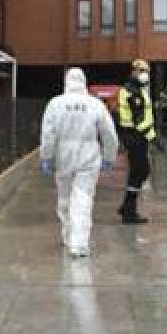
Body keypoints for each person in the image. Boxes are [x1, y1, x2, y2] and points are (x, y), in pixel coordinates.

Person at [40, 68, 120, 258]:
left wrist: (47, 156)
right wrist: (109, 156)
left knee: (65, 198)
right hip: (88, 157)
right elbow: (109, 133)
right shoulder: (95, 104)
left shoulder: (56, 103)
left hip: (63, 156)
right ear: (83, 82)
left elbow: (48, 134)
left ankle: (68, 237)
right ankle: (79, 244)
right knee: (83, 199)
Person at [117, 59, 160, 225]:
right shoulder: (131, 91)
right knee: (141, 171)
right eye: (141, 71)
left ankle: (127, 207)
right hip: (135, 136)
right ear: (133, 71)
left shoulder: (138, 90)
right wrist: (153, 137)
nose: (145, 74)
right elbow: (139, 120)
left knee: (138, 172)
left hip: (137, 137)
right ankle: (129, 211)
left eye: (146, 71)